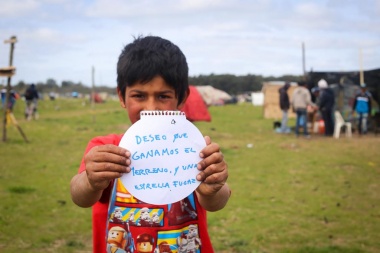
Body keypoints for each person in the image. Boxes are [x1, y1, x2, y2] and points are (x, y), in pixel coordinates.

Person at [70, 36, 231, 253]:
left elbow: (217, 201)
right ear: (122, 96)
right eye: (139, 95)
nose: (151, 107)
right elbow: (80, 197)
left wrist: (212, 188)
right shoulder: (106, 148)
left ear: (182, 98)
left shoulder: (193, 148)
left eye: (163, 96)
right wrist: (90, 180)